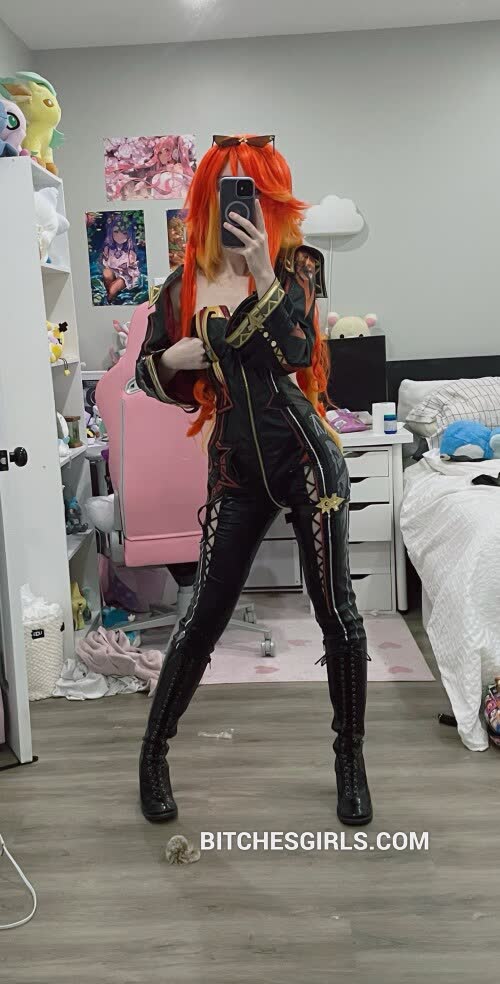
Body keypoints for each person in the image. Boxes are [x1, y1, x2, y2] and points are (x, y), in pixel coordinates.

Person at [135, 134, 372, 826]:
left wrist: (264, 270)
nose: (243, 206)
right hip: (236, 470)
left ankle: (350, 762)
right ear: (206, 198)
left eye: (257, 194)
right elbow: (151, 371)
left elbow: (299, 350)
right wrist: (175, 356)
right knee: (202, 618)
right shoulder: (181, 286)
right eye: (230, 191)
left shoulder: (297, 266)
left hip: (306, 462)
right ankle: (152, 757)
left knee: (338, 614)